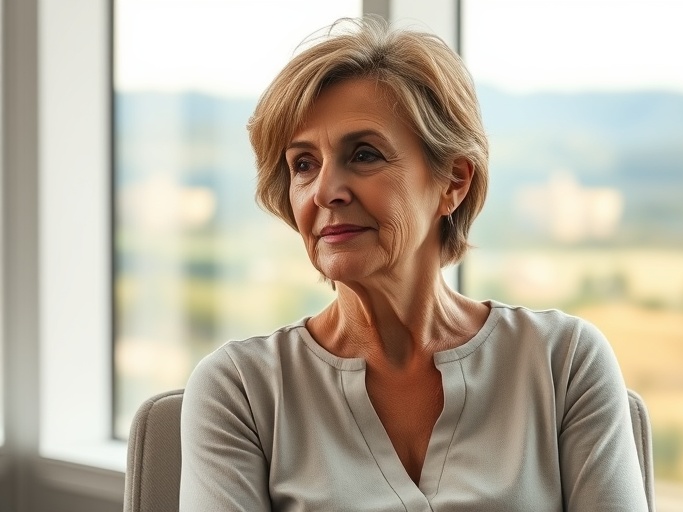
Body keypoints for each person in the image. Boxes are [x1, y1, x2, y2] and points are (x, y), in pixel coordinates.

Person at [180, 17, 648, 512]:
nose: (325, 191)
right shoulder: (241, 391)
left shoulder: (563, 363)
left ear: (453, 182)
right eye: (303, 164)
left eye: (363, 154)